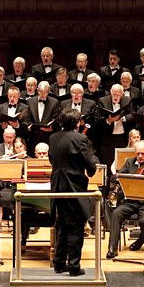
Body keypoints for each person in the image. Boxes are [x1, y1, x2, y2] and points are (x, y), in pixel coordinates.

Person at [49, 108, 98, 276]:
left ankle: (59, 263)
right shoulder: (80, 138)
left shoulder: (53, 137)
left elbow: (52, 159)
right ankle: (74, 266)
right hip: (73, 185)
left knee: (62, 224)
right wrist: (92, 168)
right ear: (77, 123)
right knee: (76, 226)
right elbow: (88, 161)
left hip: (57, 185)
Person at [106, 141, 144, 259]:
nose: (140, 156)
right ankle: (112, 248)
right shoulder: (129, 163)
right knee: (116, 214)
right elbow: (114, 178)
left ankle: (142, 239)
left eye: (143, 154)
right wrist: (119, 178)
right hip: (130, 202)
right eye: (138, 153)